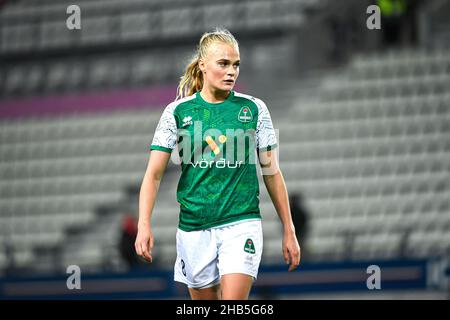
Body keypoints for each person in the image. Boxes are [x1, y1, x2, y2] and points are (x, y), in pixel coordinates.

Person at [135, 28, 300, 300]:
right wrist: (144, 224)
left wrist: (289, 229)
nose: (231, 72)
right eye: (223, 64)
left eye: (236, 65)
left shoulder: (255, 109)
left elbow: (272, 172)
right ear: (203, 65)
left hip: (241, 223)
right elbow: (153, 175)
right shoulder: (177, 112)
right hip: (193, 228)